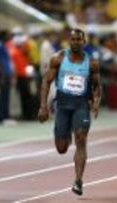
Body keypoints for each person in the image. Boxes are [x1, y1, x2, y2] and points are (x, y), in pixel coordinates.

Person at [38, 29, 101, 196]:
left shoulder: (92, 63)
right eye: (72, 39)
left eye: (79, 40)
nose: (75, 42)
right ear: (69, 41)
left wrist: (96, 102)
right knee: (61, 148)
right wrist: (43, 106)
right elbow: (46, 81)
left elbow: (97, 86)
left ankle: (78, 180)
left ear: (84, 42)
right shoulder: (58, 59)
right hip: (63, 106)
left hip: (81, 105)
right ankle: (66, 134)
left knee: (81, 139)